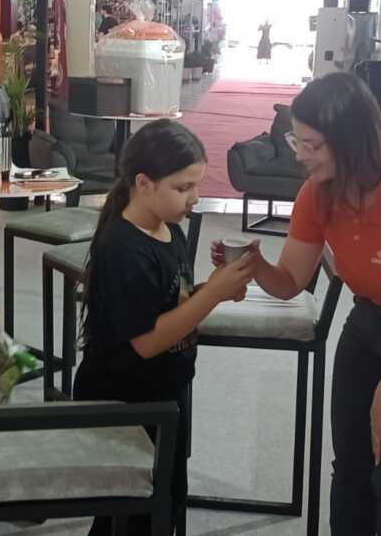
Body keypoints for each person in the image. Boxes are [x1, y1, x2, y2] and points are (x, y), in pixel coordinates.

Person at [212, 72, 381, 535]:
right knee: (350, 468)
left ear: (351, 142)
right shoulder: (316, 194)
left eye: (313, 145)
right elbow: (290, 283)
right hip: (368, 324)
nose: (300, 155)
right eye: (297, 141)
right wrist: (255, 264)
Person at [74, 119, 256, 535]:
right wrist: (213, 295)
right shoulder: (124, 249)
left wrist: (216, 288)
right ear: (144, 183)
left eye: (197, 185)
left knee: (165, 502)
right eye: (183, 187)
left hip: (163, 391)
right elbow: (146, 342)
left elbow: (173, 304)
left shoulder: (168, 229)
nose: (195, 197)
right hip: (125, 399)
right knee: (133, 511)